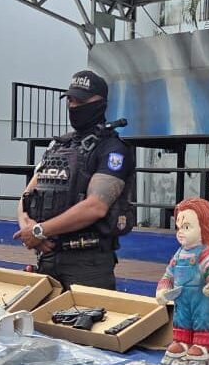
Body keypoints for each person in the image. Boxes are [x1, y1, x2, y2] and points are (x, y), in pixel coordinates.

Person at [14, 70, 136, 291]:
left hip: (88, 265)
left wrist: (39, 231)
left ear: (100, 103)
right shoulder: (59, 146)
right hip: (47, 257)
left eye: (81, 101)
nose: (73, 105)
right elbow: (27, 194)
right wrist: (28, 229)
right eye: (70, 99)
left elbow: (95, 207)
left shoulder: (112, 149)